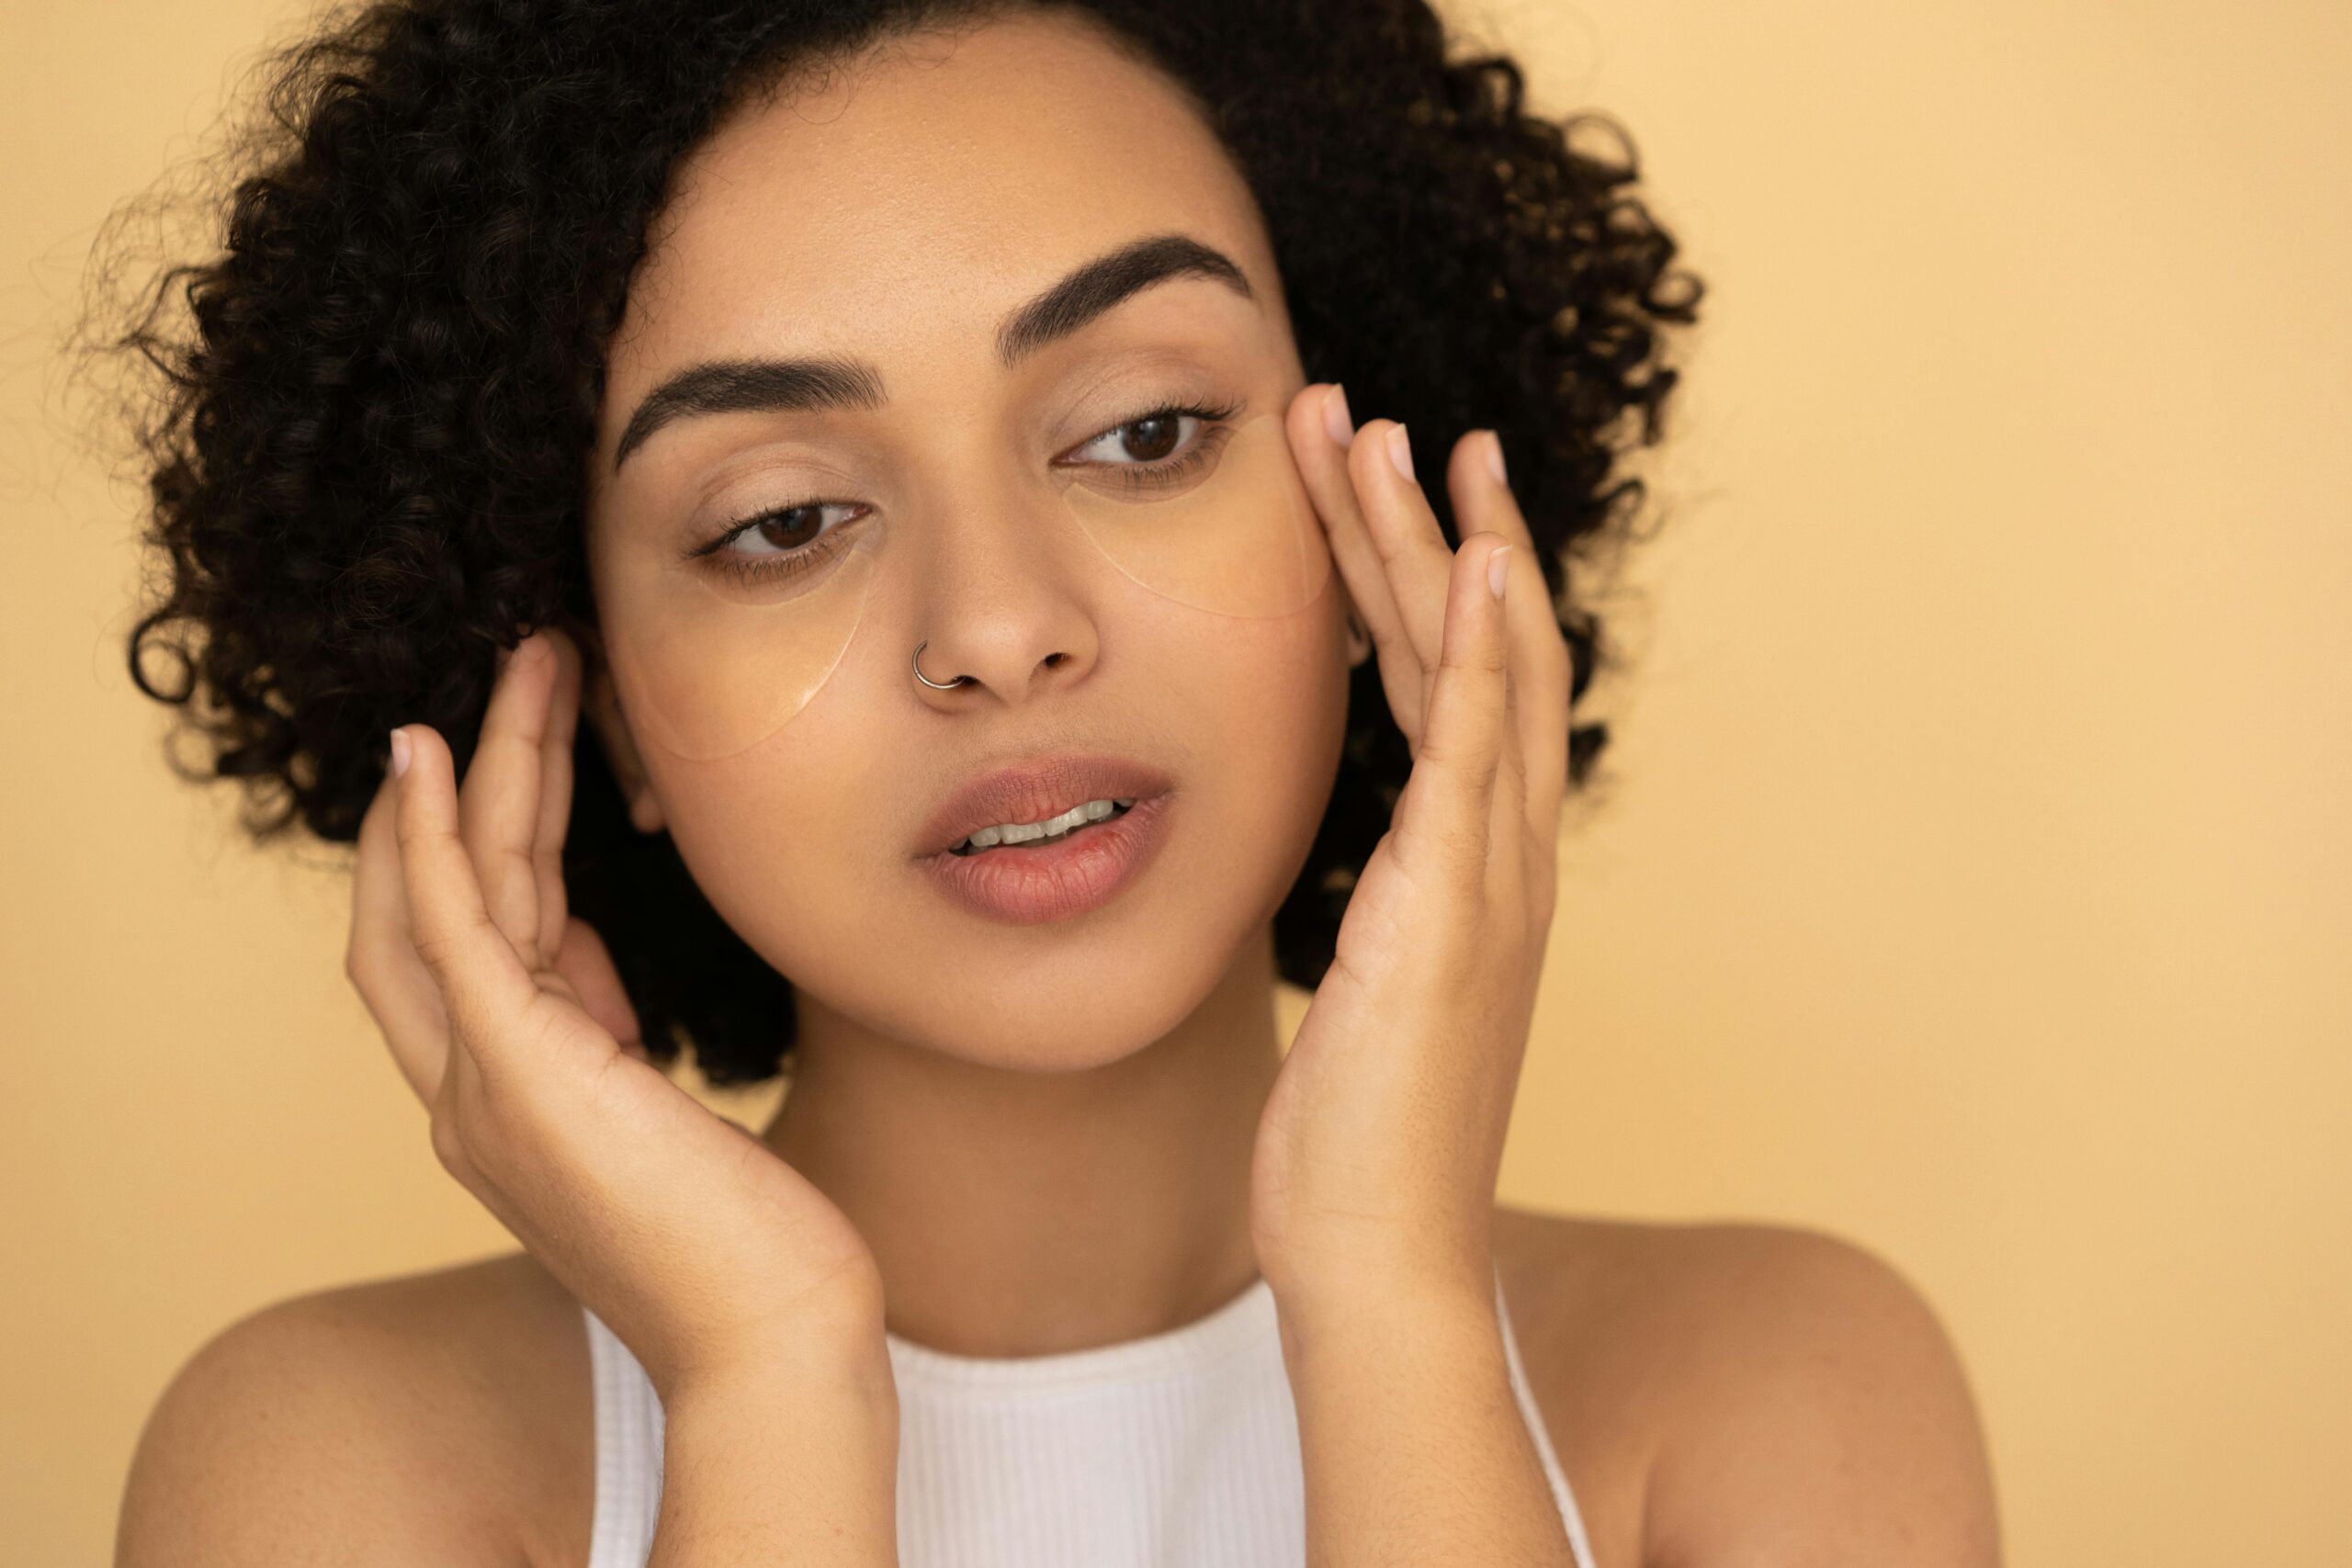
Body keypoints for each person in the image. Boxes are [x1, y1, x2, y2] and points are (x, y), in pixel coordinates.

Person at [96, 1, 2000, 1562]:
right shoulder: (338, 1466)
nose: (997, 626)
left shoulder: (1775, 1390)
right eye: (781, 520)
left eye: (1143, 429)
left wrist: (1389, 1293)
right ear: (589, 705)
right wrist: (766, 1381)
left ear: (1375, 529)